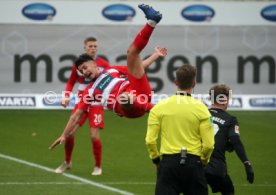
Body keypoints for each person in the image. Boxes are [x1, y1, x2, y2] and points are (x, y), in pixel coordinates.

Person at [49, 3, 164, 151]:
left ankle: (152, 21)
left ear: (94, 64)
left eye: (84, 68)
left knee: (131, 53)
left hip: (141, 92)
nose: (83, 72)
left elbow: (137, 68)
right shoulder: (89, 92)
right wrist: (64, 135)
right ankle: (160, 111)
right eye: (81, 71)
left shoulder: (111, 70)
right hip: (130, 108)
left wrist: (155, 55)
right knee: (124, 97)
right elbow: (75, 116)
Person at [145, 64, 215, 195]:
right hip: (194, 164)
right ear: (194, 84)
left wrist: (156, 161)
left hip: (168, 165)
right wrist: (203, 161)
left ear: (175, 82)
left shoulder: (159, 107)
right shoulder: (203, 109)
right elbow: (209, 145)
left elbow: (150, 141)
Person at [55, 37, 110, 175]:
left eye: (95, 46)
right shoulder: (78, 66)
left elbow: (111, 80)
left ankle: (98, 166)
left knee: (93, 136)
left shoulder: (103, 64)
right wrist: (66, 95)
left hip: (96, 102)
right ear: (85, 48)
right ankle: (67, 162)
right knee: (70, 134)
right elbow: (70, 83)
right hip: (82, 101)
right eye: (90, 46)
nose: (93, 48)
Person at [204, 84, 254, 195]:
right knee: (228, 190)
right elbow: (235, 140)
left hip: (195, 166)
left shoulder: (201, 114)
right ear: (224, 100)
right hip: (216, 167)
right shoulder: (230, 120)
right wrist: (247, 163)